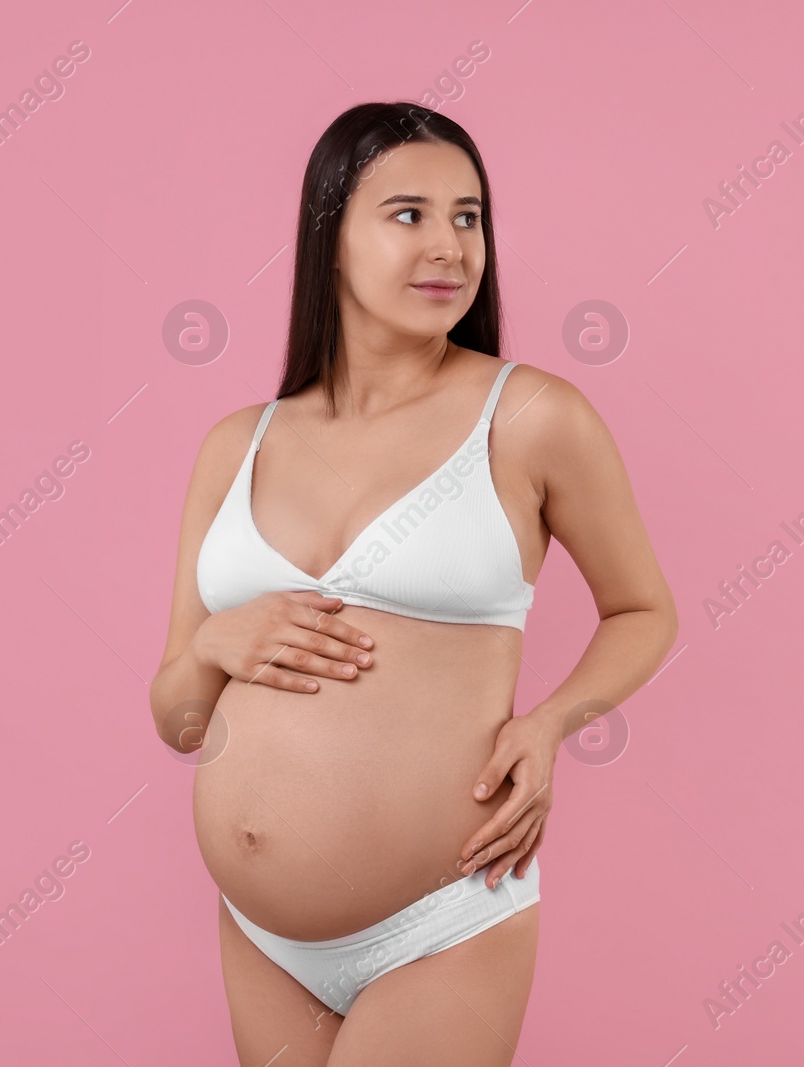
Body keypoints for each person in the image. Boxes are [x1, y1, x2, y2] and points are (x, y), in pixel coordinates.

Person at [151, 101, 677, 1066]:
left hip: (441, 920)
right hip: (262, 935)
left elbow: (645, 610)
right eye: (409, 215)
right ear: (330, 238)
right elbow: (178, 716)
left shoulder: (531, 417)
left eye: (468, 216)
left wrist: (548, 723)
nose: (450, 245)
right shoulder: (237, 444)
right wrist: (212, 647)